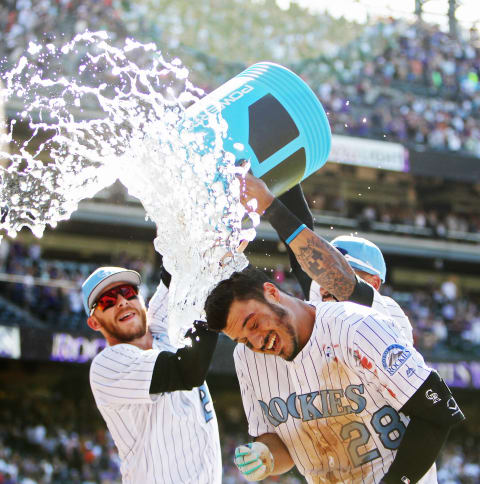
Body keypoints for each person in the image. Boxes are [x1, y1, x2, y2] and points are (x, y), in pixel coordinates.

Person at [204, 266, 465, 483]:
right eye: (244, 339)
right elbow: (280, 444)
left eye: (254, 324)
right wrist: (267, 455)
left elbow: (438, 410)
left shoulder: (355, 326)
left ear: (271, 293)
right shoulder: (247, 359)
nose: (258, 342)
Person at [82, 266, 222, 484]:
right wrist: (213, 299)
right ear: (94, 322)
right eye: (107, 300)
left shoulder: (161, 328)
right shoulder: (107, 365)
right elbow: (187, 372)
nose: (121, 301)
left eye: (128, 292)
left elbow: (177, 264)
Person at [246, 174, 413, 344]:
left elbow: (346, 287)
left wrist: (270, 204)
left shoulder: (389, 313)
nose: (323, 282)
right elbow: (300, 238)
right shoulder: (321, 296)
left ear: (374, 284)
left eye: (346, 269)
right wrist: (279, 167)